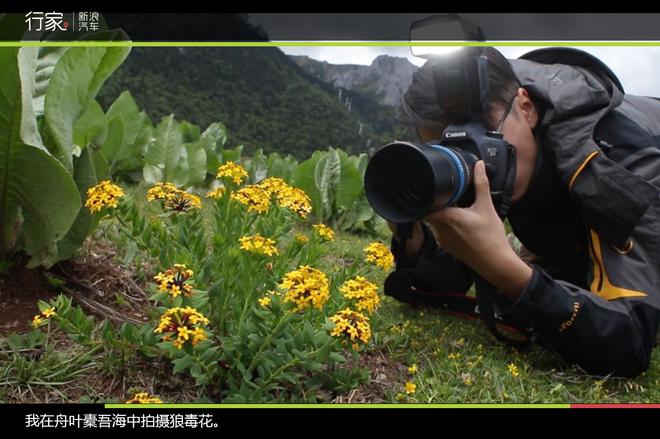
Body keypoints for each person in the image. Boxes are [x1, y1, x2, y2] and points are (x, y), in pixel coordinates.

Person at [386, 47, 660, 377]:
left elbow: (630, 342)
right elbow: (448, 281)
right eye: (448, 148)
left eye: (481, 138)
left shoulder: (613, 162)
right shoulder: (494, 157)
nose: (474, 161)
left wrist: (506, 270)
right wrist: (411, 238)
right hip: (572, 243)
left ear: (526, 107)